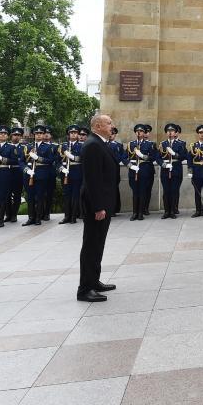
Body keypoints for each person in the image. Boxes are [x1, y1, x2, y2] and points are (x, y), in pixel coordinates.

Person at [78, 114, 119, 303]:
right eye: (109, 123)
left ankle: (94, 281)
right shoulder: (93, 145)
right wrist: (98, 207)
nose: (112, 126)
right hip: (97, 205)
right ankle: (85, 289)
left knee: (98, 244)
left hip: (104, 202)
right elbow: (92, 180)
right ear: (98, 126)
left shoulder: (99, 143)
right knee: (91, 245)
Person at [24, 125, 58, 226]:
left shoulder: (48, 147)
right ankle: (31, 217)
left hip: (42, 175)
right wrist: (26, 170)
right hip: (29, 174)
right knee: (30, 197)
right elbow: (21, 161)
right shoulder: (28, 147)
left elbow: (50, 160)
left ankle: (38, 218)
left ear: (43, 135)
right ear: (34, 134)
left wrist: (38, 158)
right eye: (37, 133)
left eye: (41, 133)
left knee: (39, 196)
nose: (39, 135)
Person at [127, 124, 158, 220]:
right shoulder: (130, 144)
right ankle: (134, 213)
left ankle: (140, 213)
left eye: (141, 131)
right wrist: (130, 165)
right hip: (133, 171)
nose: (139, 132)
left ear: (144, 133)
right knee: (135, 192)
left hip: (144, 170)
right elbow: (124, 157)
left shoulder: (149, 144)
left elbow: (154, 157)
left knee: (142, 192)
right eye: (137, 131)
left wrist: (143, 156)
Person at [159, 123, 187, 219]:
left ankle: (172, 211)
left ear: (175, 133)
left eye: (172, 131)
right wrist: (164, 164)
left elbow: (184, 156)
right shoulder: (162, 144)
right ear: (166, 133)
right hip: (165, 170)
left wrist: (175, 154)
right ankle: (166, 211)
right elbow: (158, 157)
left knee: (174, 191)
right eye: (168, 131)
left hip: (176, 169)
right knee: (166, 191)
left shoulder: (180, 144)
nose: (170, 133)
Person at [59, 125, 84, 224]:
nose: (73, 134)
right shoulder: (63, 146)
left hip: (77, 171)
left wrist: (73, 157)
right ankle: (67, 216)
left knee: (75, 195)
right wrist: (62, 169)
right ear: (68, 134)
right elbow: (57, 161)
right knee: (66, 195)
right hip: (65, 173)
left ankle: (73, 216)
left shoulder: (82, 145)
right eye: (71, 133)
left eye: (75, 133)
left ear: (77, 134)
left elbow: (83, 158)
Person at [108, 127, 127, 216]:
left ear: (115, 135)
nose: (111, 135)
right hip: (104, 170)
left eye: (113, 134)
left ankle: (114, 209)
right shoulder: (103, 144)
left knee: (114, 189)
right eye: (110, 133)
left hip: (114, 170)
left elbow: (121, 157)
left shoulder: (118, 145)